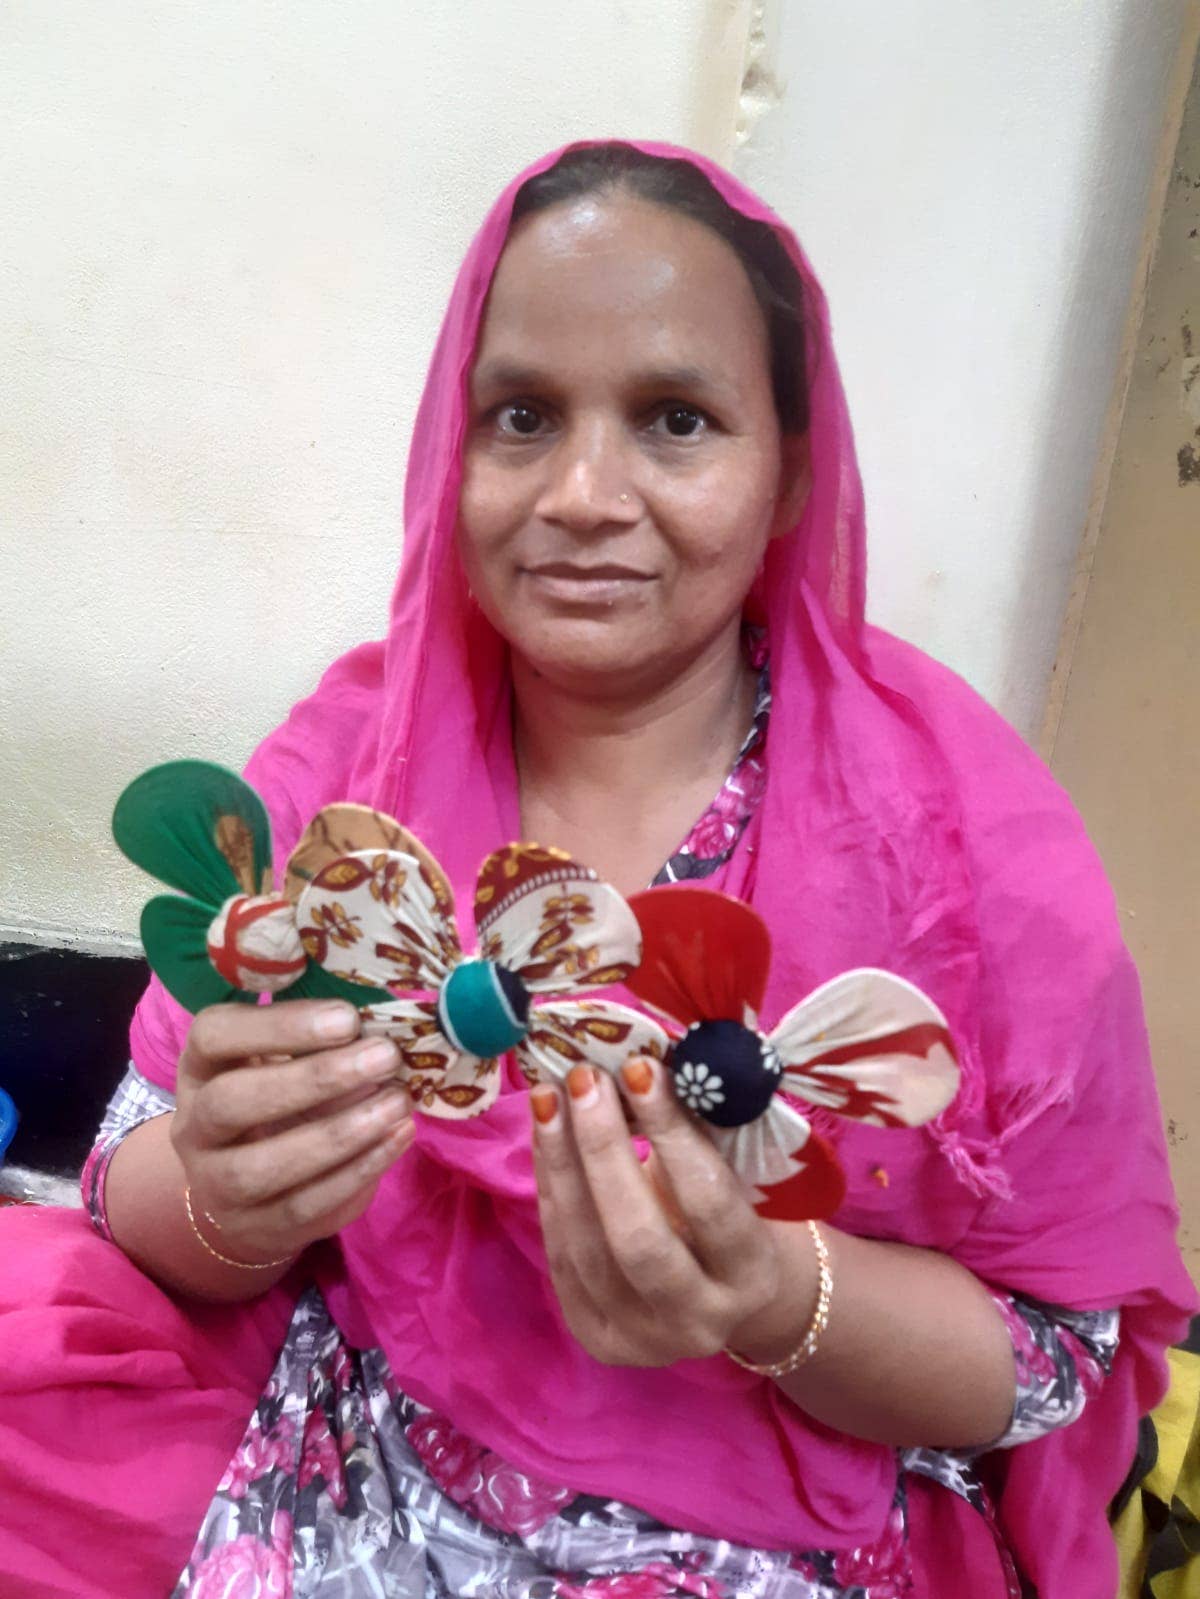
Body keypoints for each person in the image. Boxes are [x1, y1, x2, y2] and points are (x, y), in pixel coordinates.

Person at [0, 140, 1193, 1599]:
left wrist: (776, 1296)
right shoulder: (345, 779)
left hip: (761, 1533)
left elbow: (1056, 1364)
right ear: (454, 446)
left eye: (677, 420)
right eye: (520, 416)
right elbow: (134, 1176)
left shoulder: (967, 852)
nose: (580, 491)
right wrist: (232, 1202)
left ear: (791, 467)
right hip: (347, 1457)